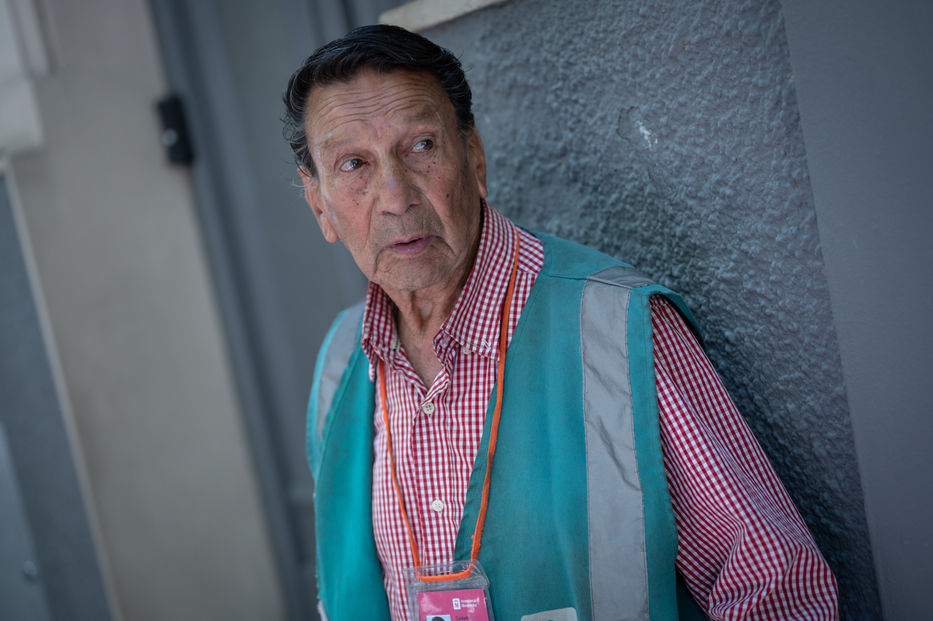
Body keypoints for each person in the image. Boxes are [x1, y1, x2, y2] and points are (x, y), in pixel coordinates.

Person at [283, 24, 838, 621]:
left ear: (474, 158)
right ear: (321, 207)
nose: (395, 196)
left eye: (420, 146)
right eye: (354, 164)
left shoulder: (617, 330)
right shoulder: (342, 363)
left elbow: (776, 590)